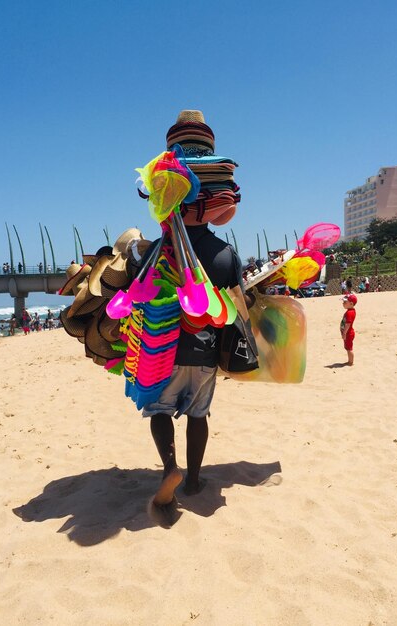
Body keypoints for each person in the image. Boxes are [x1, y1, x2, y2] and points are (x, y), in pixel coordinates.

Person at [141, 110, 244, 524]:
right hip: (204, 353)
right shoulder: (224, 255)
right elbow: (238, 309)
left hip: (161, 351)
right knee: (199, 415)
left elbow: (137, 300)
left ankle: (169, 467)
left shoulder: (151, 253)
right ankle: (195, 480)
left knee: (161, 411)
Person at [340, 294, 357, 366]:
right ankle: (349, 360)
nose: (343, 303)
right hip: (347, 333)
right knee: (347, 348)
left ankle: (351, 362)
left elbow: (348, 324)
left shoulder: (350, 313)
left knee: (349, 348)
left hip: (348, 333)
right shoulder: (349, 311)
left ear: (351, 303)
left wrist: (344, 333)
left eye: (344, 302)